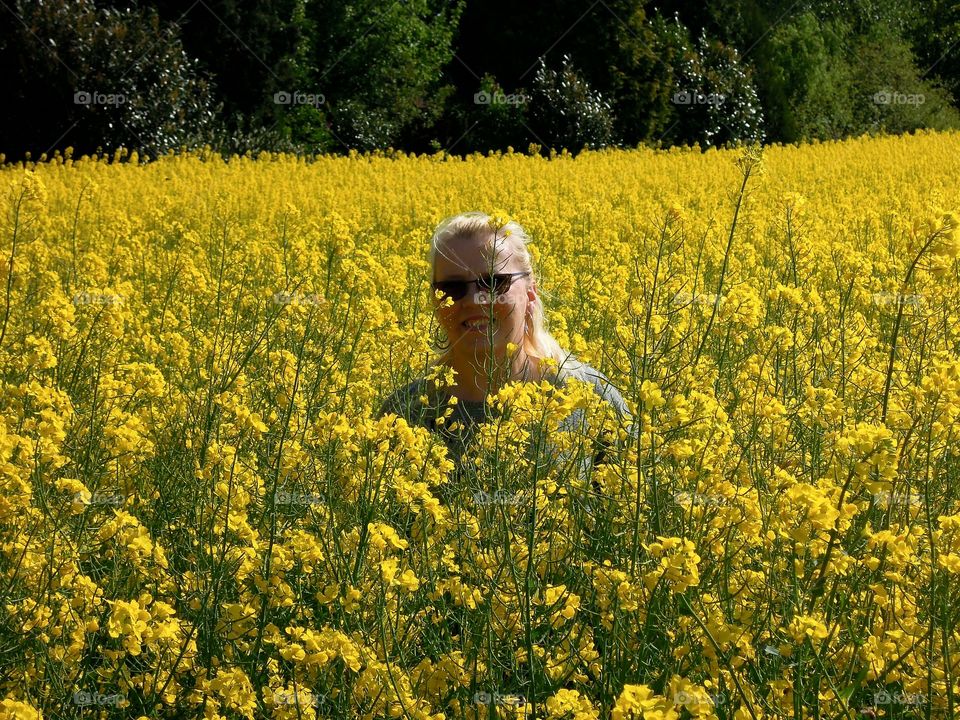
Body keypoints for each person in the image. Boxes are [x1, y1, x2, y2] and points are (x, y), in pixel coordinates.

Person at [376, 211, 632, 486]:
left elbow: (632, 509)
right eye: (452, 287)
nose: (475, 300)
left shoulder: (591, 397)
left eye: (495, 282)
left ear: (530, 291)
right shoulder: (404, 414)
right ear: (435, 299)